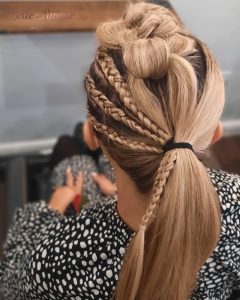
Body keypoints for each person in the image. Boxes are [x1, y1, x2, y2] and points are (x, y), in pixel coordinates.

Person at [0, 2, 240, 300]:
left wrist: (51, 209)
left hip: (86, 199)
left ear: (94, 135)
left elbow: (10, 284)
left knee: (68, 153)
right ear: (214, 132)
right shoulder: (236, 205)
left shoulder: (61, 258)